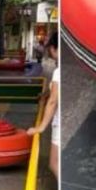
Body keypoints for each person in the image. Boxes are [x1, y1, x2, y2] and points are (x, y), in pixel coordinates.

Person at [27, 32, 59, 181]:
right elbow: (53, 92)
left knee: (55, 164)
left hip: (59, 123)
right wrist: (45, 94)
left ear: (53, 48)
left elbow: (53, 101)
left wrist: (40, 127)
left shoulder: (59, 72)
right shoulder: (58, 70)